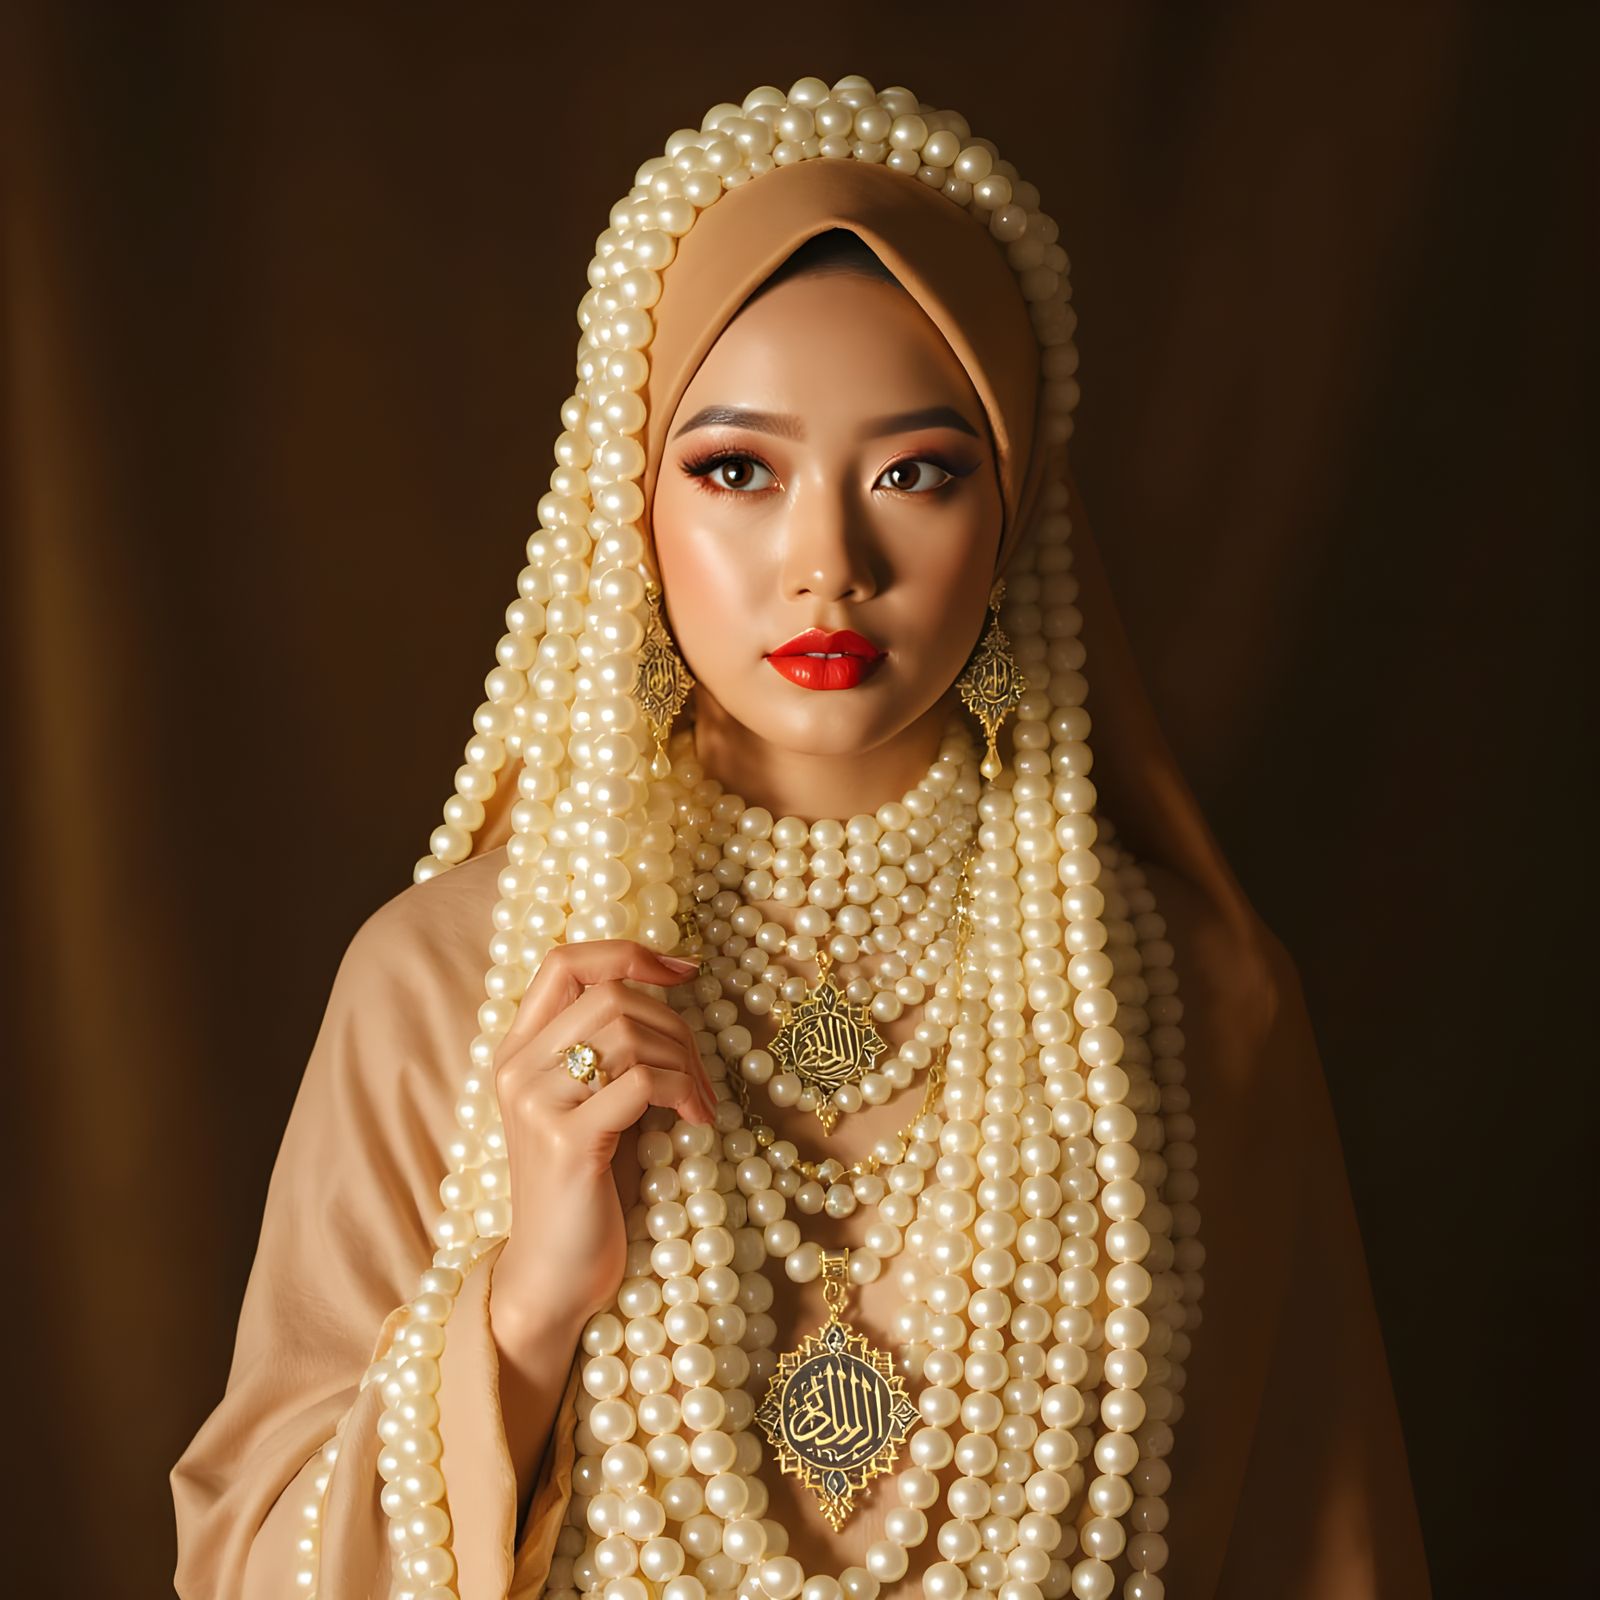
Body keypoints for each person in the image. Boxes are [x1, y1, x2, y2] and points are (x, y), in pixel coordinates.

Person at [171, 75, 1429, 1600]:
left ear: (1014, 507)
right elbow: (253, 1569)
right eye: (738, 470)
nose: (826, 562)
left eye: (915, 472)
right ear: (632, 503)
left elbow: (1325, 1556)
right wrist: (523, 1309)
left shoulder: (1186, 1014)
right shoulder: (451, 986)